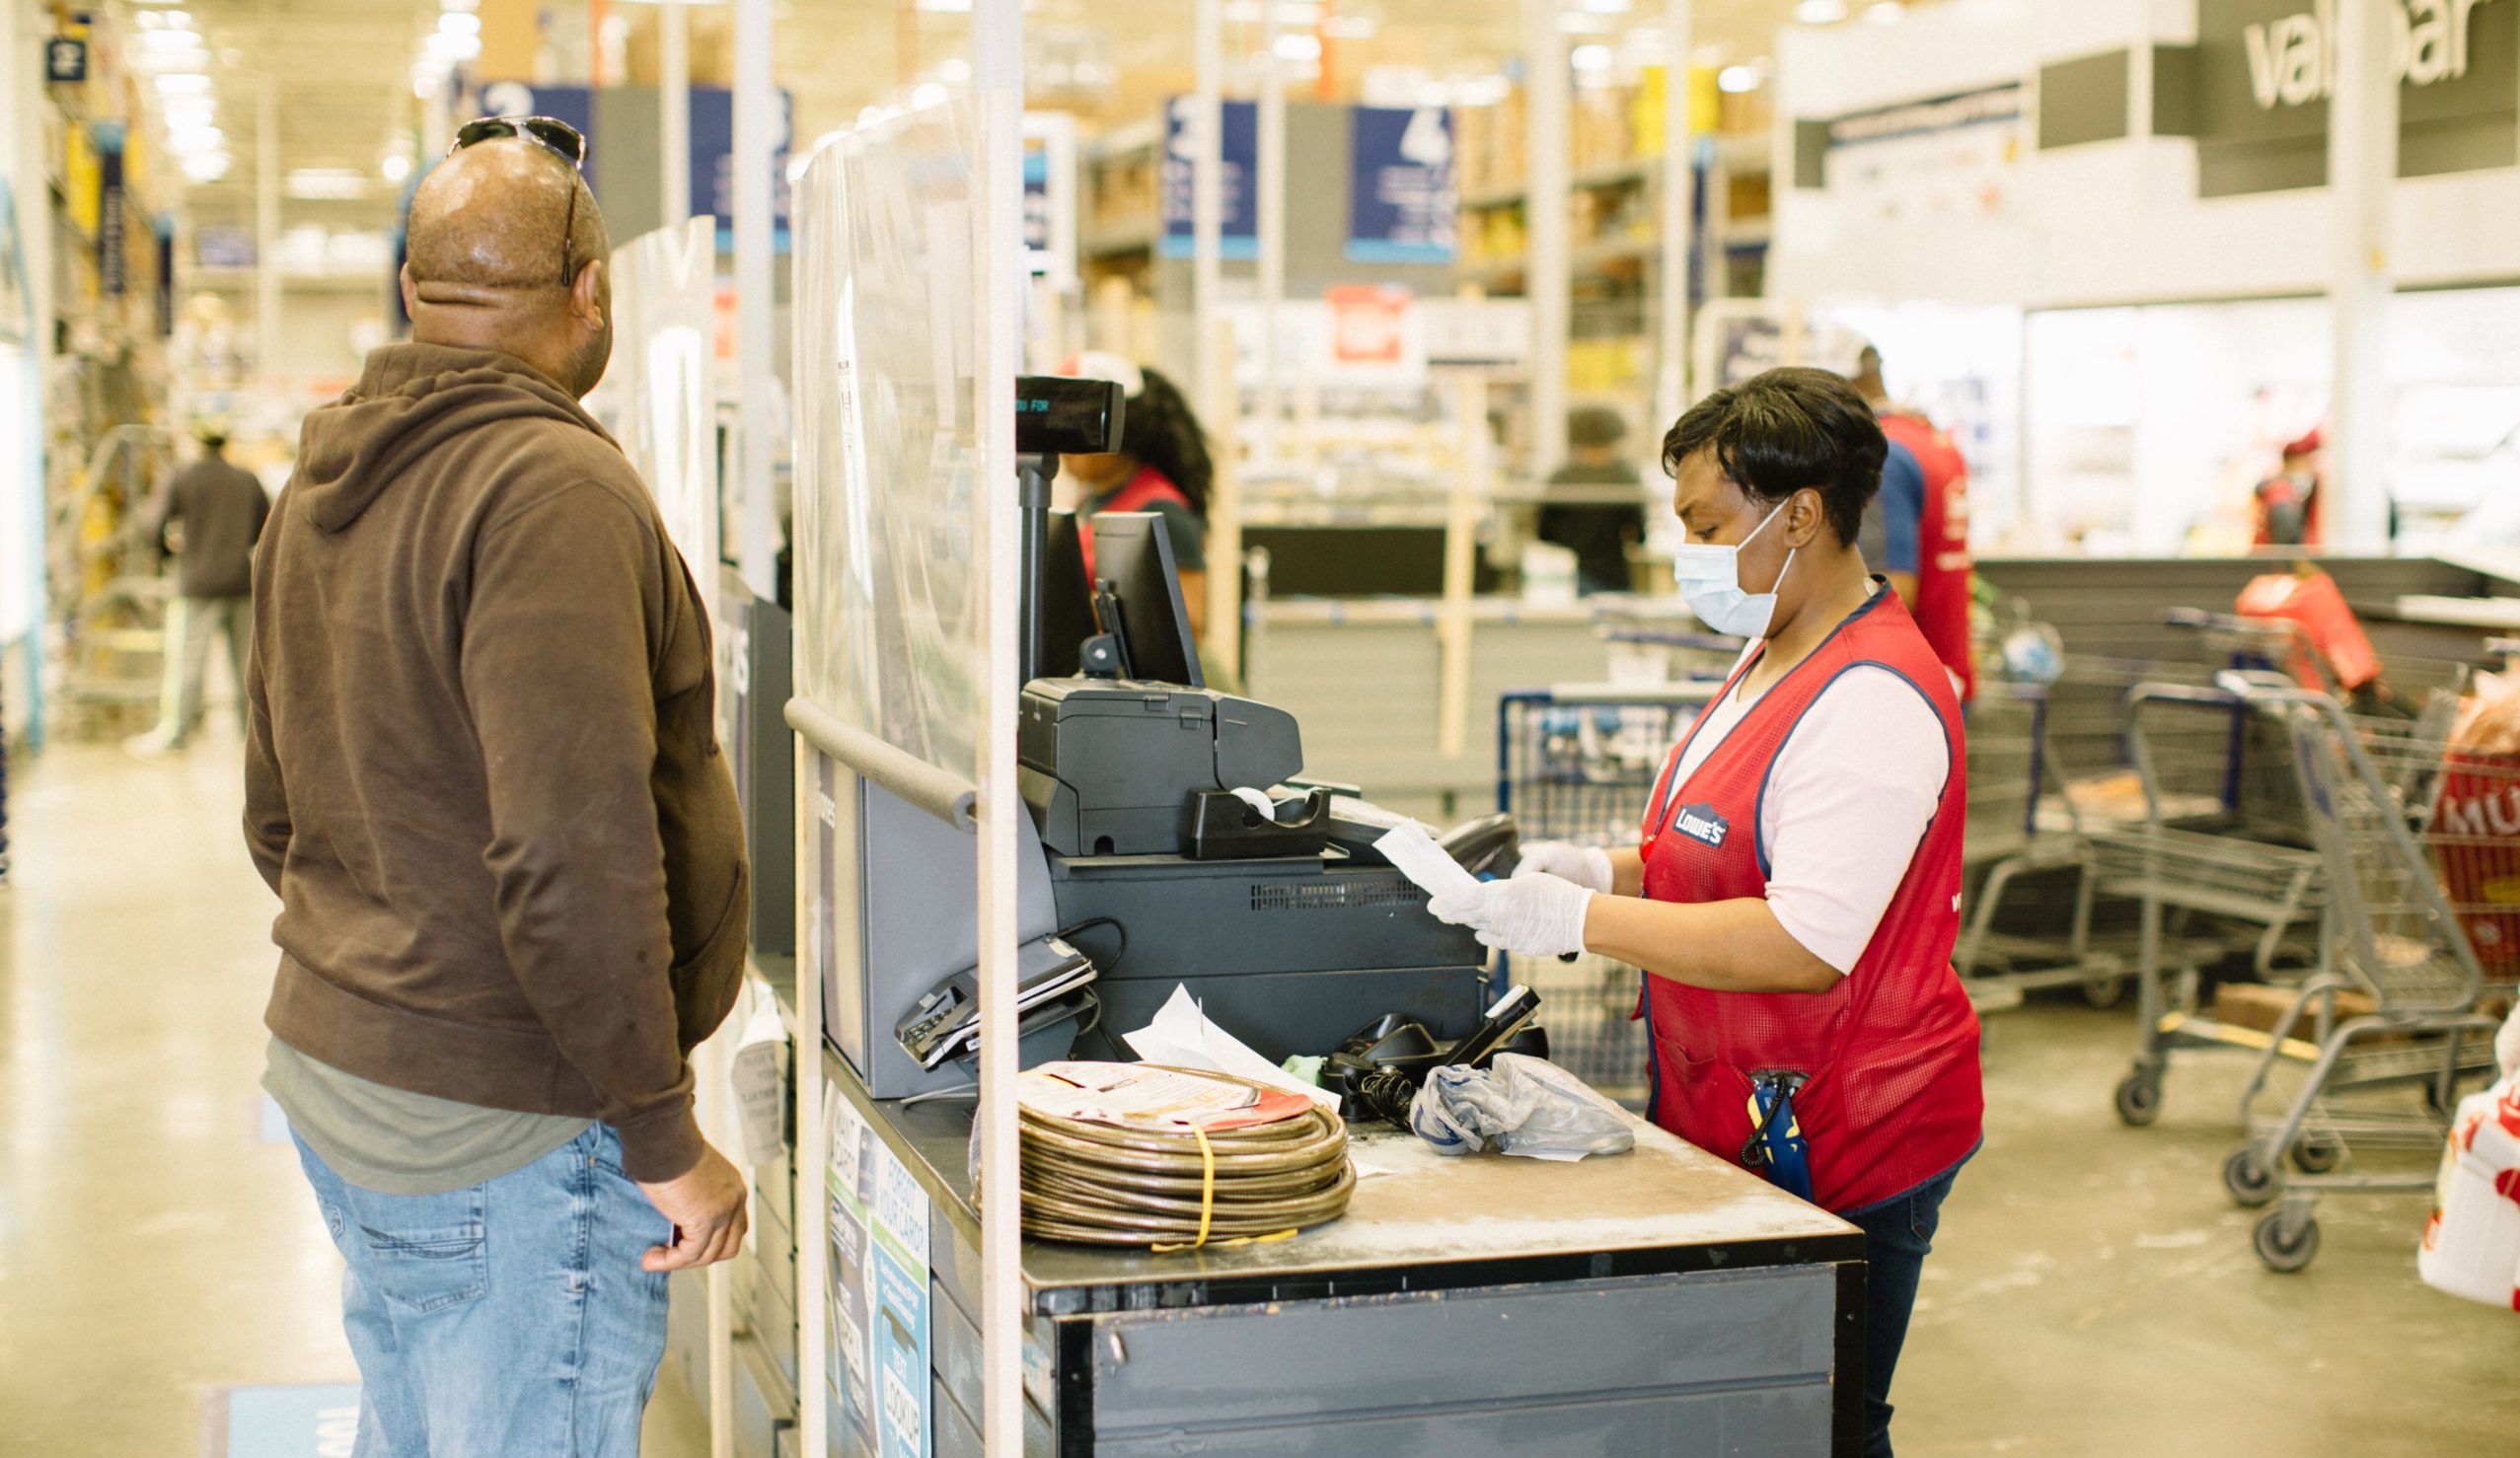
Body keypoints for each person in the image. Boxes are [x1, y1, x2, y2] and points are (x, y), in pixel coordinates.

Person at [246, 117, 751, 1456]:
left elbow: (275, 811)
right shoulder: (552, 487)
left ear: (411, 289)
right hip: (511, 1126)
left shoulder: (320, 480)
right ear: (591, 291)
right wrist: (663, 1137)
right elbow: (574, 855)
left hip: (348, 1077)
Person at [1428, 367, 1980, 1458]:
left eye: (1707, 525)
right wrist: (1596, 867)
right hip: (1748, 1103)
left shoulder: (1871, 699)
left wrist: (1578, 919)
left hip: (1850, 1128)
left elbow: (1802, 940)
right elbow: (1722, 848)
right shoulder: (1776, 649)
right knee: (1743, 1404)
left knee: (1819, 1417)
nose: (1689, 552)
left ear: (1800, 514)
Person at [126, 429, 270, 757]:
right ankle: (252, 738)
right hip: (240, 581)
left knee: (187, 661)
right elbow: (265, 526)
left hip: (196, 583)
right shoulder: (247, 480)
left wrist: (167, 555)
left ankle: (176, 733)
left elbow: (154, 526)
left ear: (197, 444)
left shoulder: (182, 477)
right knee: (246, 665)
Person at [1846, 344, 1975, 700]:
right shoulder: (1932, 440)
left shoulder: (1881, 456)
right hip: (1945, 670)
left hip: (1906, 685)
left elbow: (1890, 596)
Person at [1056, 351, 1214, 639]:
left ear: (1121, 429)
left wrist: (1077, 606)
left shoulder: (1162, 510)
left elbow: (1190, 623)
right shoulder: (1089, 498)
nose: (1064, 443)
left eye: (1076, 426)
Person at [1537, 405, 1648, 596]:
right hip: (1614, 575)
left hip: (1567, 577)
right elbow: (1638, 534)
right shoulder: (1624, 477)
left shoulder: (1561, 477)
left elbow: (1544, 532)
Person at [2255, 429, 2323, 548]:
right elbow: (2286, 539)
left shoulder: (2280, 490)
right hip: (2276, 558)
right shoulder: (2280, 493)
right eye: (2307, 461)